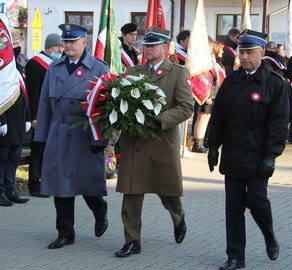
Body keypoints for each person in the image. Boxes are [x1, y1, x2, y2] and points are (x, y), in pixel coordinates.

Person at [207, 29, 289, 270]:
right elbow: (219, 116)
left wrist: (271, 156)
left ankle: (269, 234)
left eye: (250, 52)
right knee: (233, 208)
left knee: (256, 201)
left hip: (258, 154)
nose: (244, 57)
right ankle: (235, 257)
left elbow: (279, 124)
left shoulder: (274, 83)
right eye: (242, 52)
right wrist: (213, 145)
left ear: (262, 53)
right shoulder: (231, 81)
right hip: (233, 152)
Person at [115, 26, 194, 257]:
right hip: (135, 143)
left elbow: (186, 107)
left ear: (165, 48)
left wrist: (158, 120)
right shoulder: (134, 71)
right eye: (145, 45)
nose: (147, 49)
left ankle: (178, 218)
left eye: (152, 46)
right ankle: (132, 241)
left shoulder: (178, 73)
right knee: (131, 193)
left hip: (161, 141)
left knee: (168, 191)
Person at [34, 23, 109, 249]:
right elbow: (45, 103)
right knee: (60, 184)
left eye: (72, 41)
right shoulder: (54, 68)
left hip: (85, 132)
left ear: (84, 42)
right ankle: (65, 232)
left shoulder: (98, 68)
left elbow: (106, 107)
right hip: (58, 130)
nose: (67, 46)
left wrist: (101, 137)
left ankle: (99, 209)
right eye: (65, 42)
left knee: (86, 181)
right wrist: (41, 136)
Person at [25, 33, 64, 197]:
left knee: (51, 149)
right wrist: (34, 116)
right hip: (40, 114)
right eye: (57, 47)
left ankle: (47, 181)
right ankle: (35, 184)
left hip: (54, 114)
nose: (60, 50)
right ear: (49, 47)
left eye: (61, 47)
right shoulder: (35, 64)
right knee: (38, 149)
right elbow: (32, 93)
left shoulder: (57, 64)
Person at [0, 77, 31, 207]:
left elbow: (24, 96)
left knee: (13, 161)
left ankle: (10, 190)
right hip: (6, 127)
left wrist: (28, 117)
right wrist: (1, 120)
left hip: (18, 126)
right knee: (1, 162)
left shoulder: (15, 72)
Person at [192, 37, 225, 153]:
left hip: (212, 94)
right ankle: (197, 143)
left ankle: (201, 141)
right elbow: (207, 80)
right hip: (206, 94)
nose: (211, 47)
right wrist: (208, 96)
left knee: (206, 118)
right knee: (202, 118)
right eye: (210, 46)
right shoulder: (203, 61)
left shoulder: (211, 60)